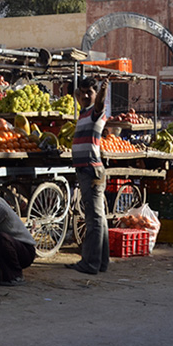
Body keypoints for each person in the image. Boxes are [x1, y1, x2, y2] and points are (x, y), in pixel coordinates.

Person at [66, 77, 110, 274]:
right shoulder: (84, 111)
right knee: (99, 219)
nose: (84, 96)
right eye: (82, 92)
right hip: (86, 170)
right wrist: (83, 87)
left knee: (93, 220)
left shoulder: (95, 112)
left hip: (90, 170)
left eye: (89, 93)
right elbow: (78, 93)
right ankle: (101, 262)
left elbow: (99, 103)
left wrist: (102, 91)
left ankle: (90, 263)